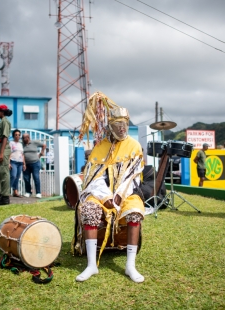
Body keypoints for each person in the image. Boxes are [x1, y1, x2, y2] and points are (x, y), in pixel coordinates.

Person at [73, 92, 145, 283]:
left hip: (126, 192)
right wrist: (105, 197)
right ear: (109, 126)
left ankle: (130, 265)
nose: (122, 129)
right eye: (117, 125)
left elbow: (133, 176)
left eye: (125, 124)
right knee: (89, 209)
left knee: (135, 212)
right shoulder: (100, 147)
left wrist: (120, 195)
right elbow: (93, 177)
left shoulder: (134, 146)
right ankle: (91, 265)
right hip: (100, 193)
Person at [0, 105, 12, 205]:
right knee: (1, 173)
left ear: (2, 112)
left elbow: (5, 137)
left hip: (2, 147)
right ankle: (2, 195)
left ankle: (5, 197)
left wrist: (1, 152)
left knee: (4, 173)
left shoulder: (5, 122)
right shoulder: (2, 122)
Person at [22, 133, 46, 198]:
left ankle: (38, 193)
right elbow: (22, 154)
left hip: (35, 163)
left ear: (28, 137)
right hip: (26, 164)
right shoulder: (22, 144)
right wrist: (23, 163)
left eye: (26, 137)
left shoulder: (34, 142)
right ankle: (28, 192)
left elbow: (44, 145)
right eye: (23, 138)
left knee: (36, 177)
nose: (24, 139)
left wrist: (41, 153)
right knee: (26, 178)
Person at [9, 129, 26, 197]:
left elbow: (22, 154)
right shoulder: (11, 143)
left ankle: (15, 191)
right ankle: (6, 190)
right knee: (13, 176)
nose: (17, 136)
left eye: (19, 135)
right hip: (13, 161)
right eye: (16, 135)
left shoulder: (20, 144)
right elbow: (9, 153)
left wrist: (24, 163)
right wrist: (8, 163)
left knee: (17, 177)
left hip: (20, 162)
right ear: (13, 136)